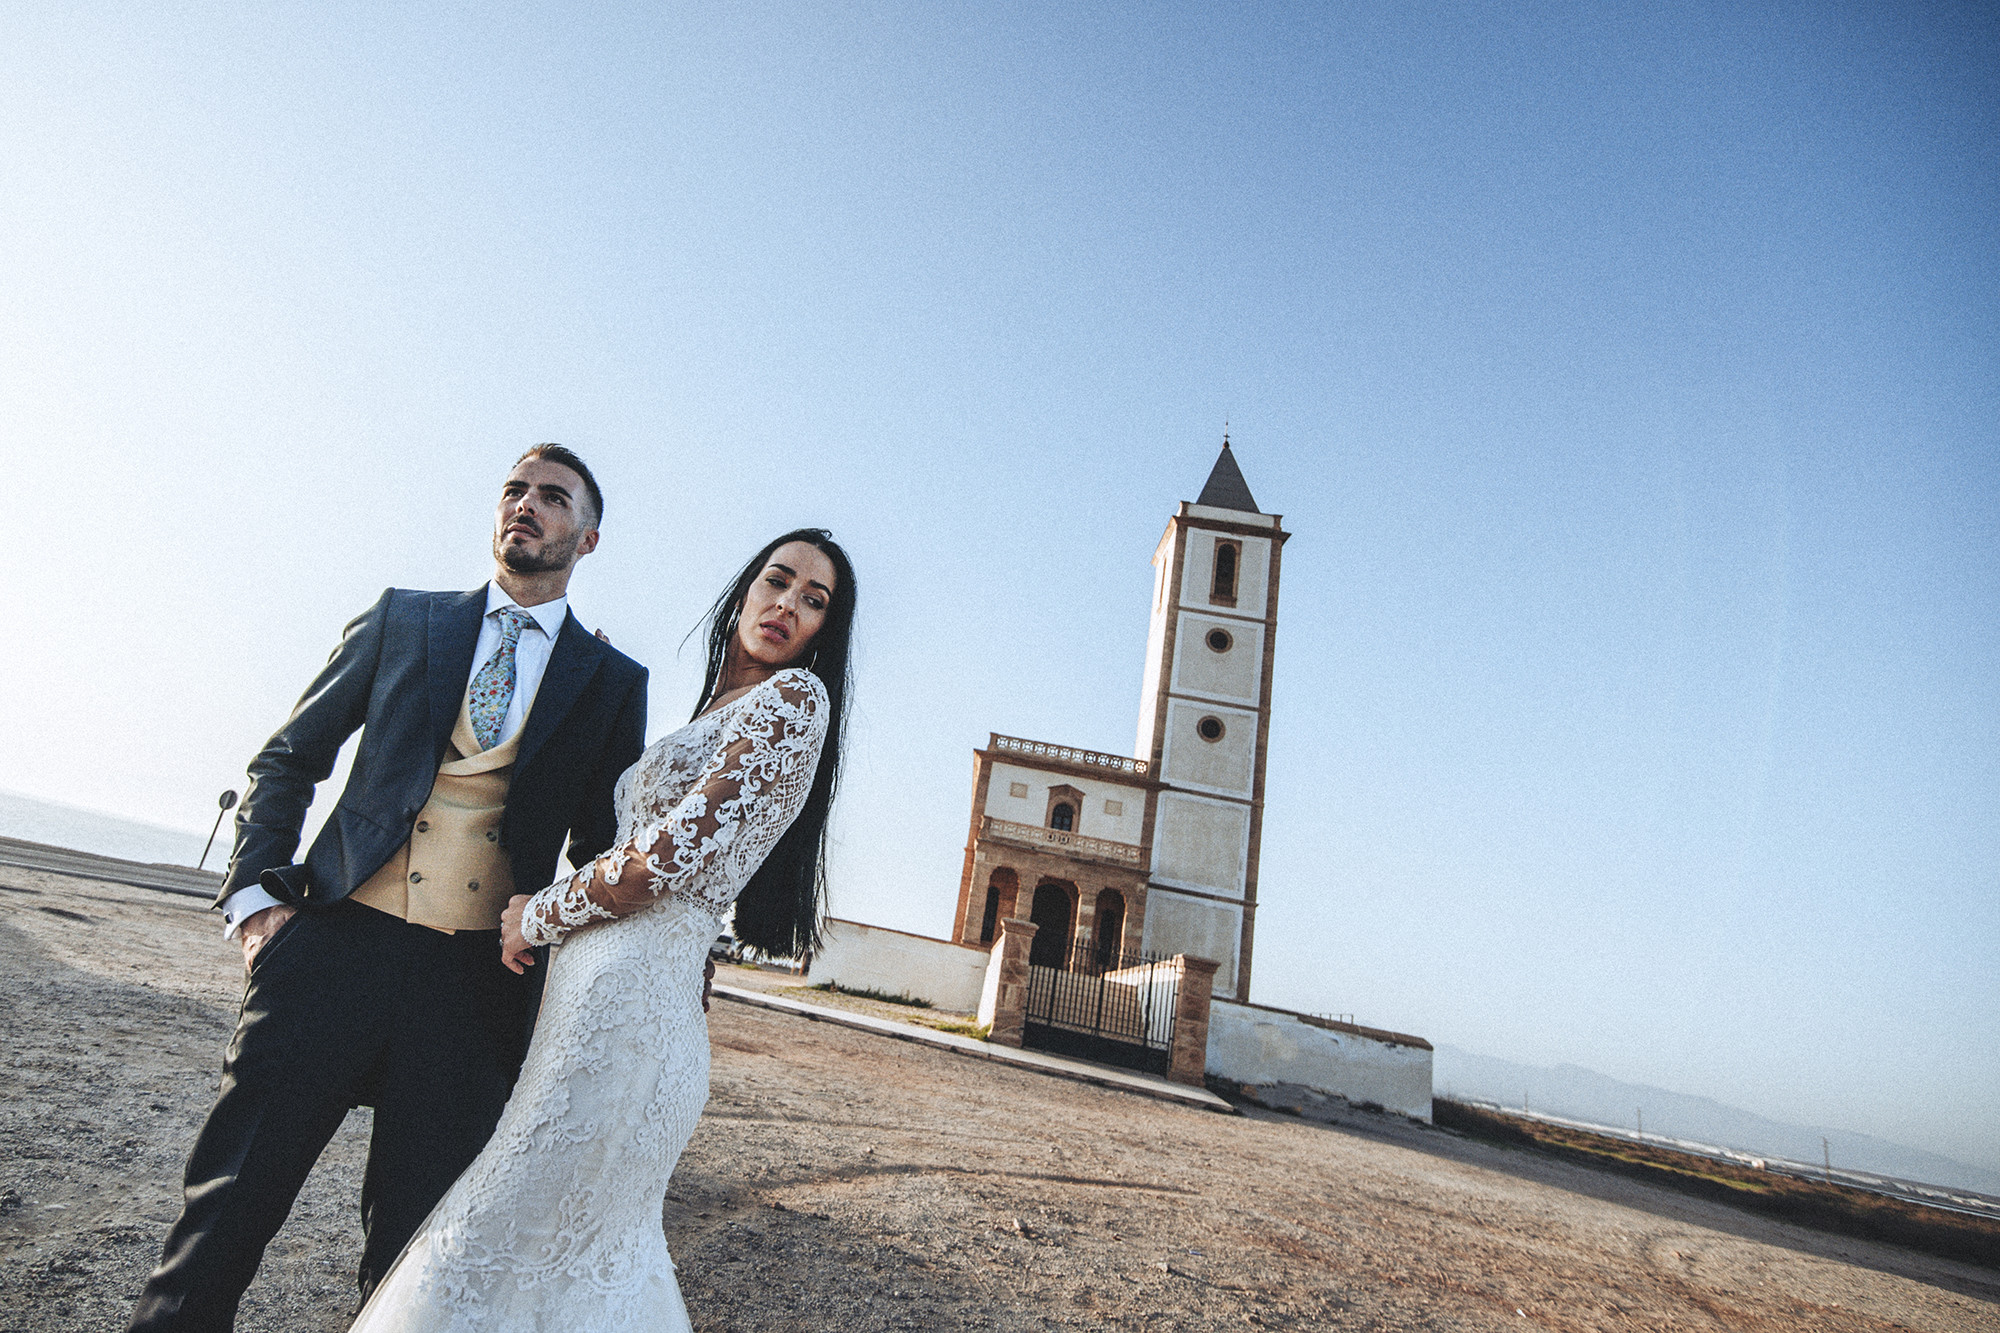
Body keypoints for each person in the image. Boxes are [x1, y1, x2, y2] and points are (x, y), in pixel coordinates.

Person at [129, 446, 650, 1332]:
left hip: (475, 988)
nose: (526, 505)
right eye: (514, 490)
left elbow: (603, 848)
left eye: (552, 498)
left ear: (588, 536)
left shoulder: (612, 683)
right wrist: (259, 906)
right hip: (332, 950)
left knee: (412, 1266)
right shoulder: (407, 618)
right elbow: (289, 757)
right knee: (220, 1221)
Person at [348, 528, 855, 1333]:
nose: (788, 604)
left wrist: (537, 913)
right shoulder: (719, 710)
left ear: (827, 629)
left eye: (814, 600)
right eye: (778, 581)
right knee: (537, 1239)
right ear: (745, 590)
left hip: (633, 1012)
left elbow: (675, 853)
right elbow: (630, 829)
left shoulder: (795, 701)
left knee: (520, 1223)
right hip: (591, 1000)